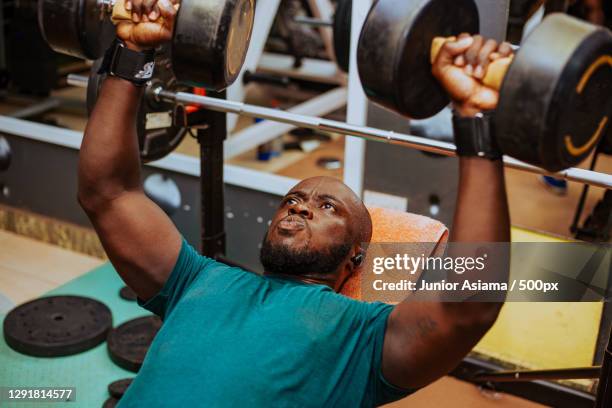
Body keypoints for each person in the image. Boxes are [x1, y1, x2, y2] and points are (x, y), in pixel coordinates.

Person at [77, 2, 511, 406]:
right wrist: (132, 48)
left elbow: (468, 306)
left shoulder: (362, 337)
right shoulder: (197, 279)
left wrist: (475, 119)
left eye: (328, 208)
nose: (300, 207)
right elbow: (107, 194)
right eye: (293, 199)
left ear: (356, 258)